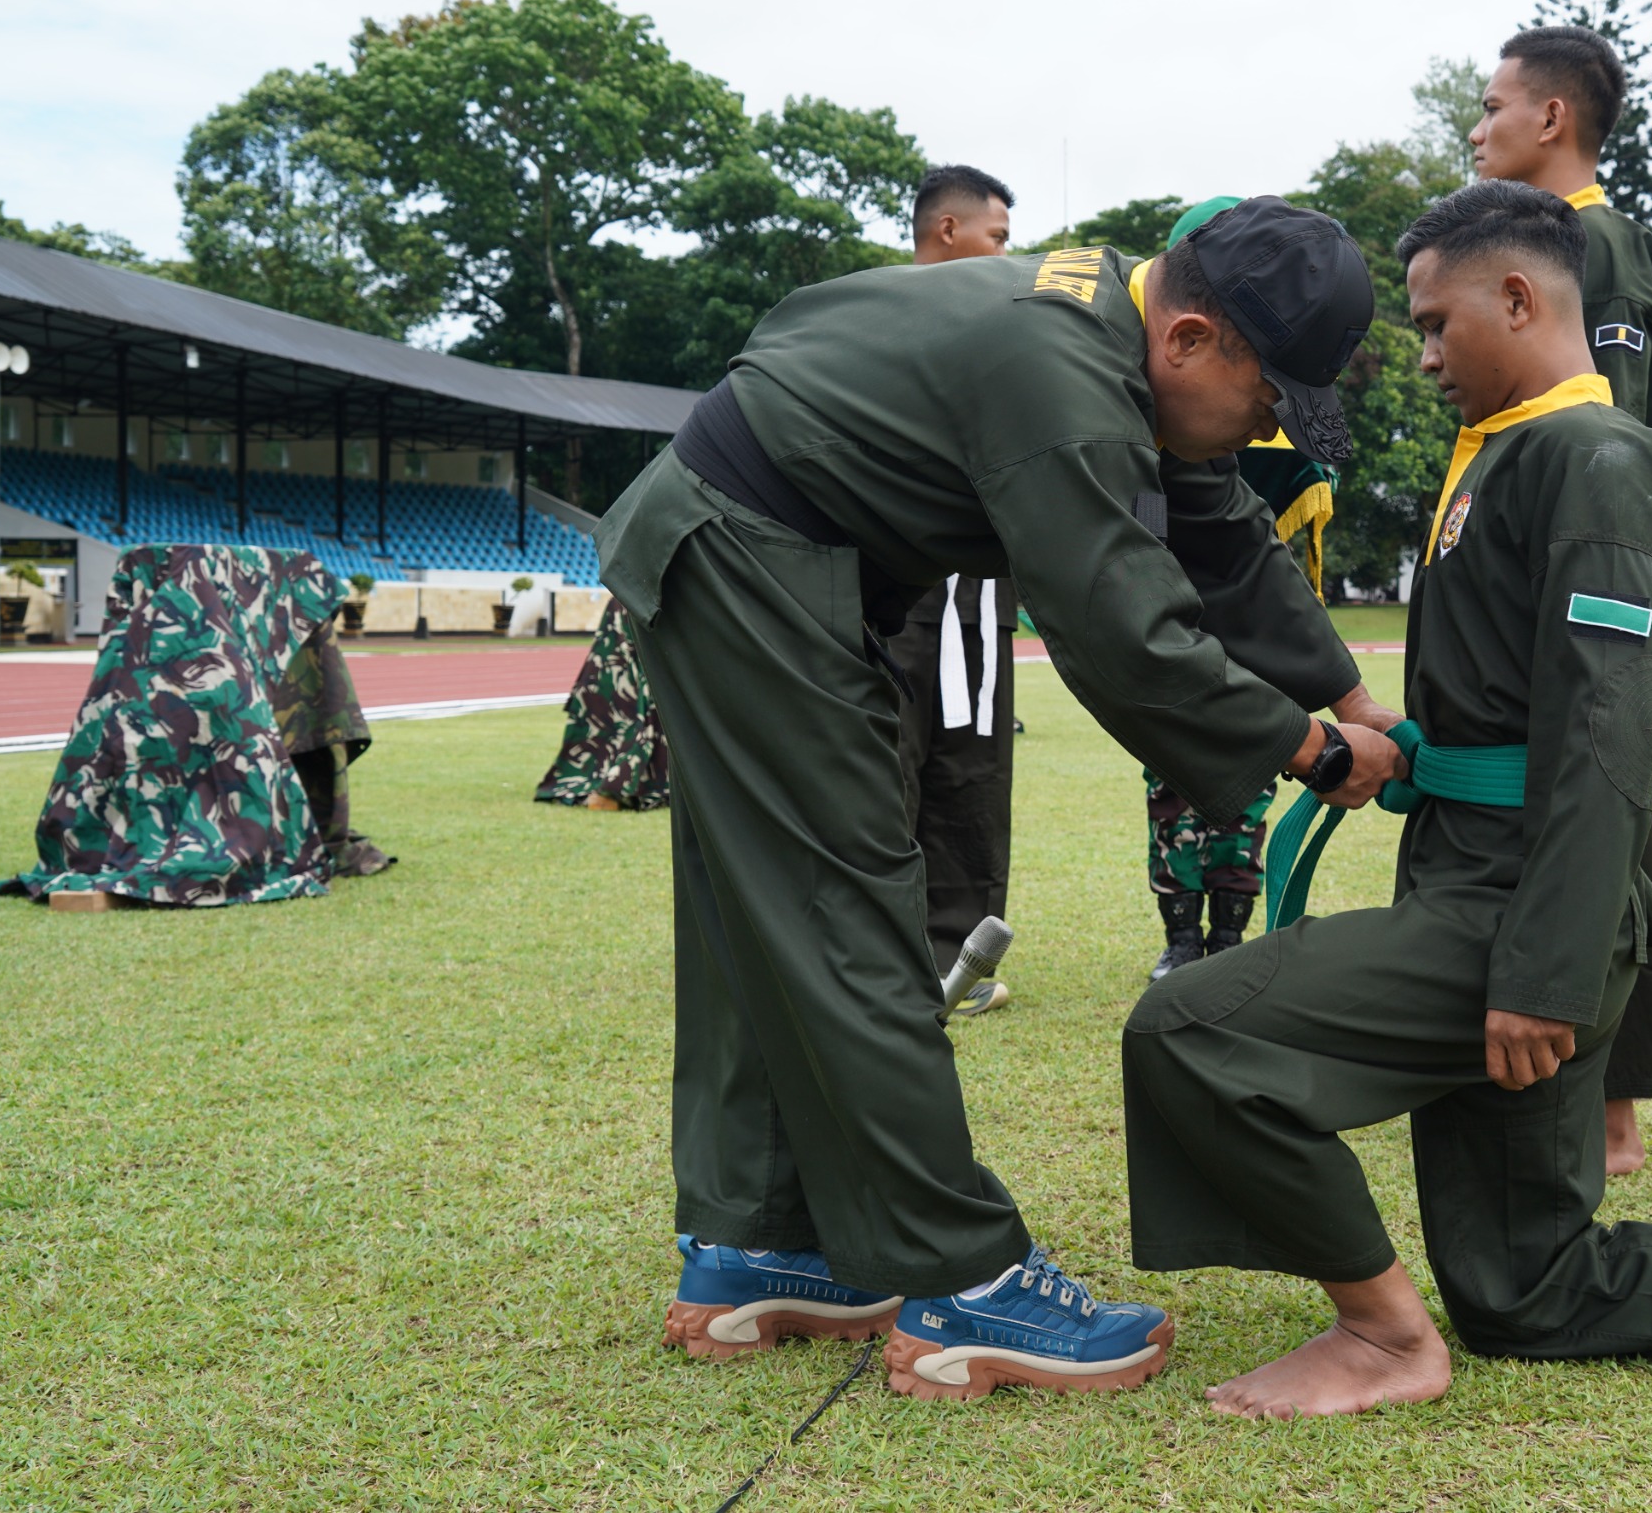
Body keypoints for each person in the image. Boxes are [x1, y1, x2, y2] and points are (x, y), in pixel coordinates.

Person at [1120, 182, 1652, 1419]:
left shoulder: (1595, 460)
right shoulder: (1509, 450)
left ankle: (1379, 1339)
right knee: (1520, 1287)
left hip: (1518, 912)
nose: (1424, 357)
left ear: (1520, 297)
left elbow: (1606, 739)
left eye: (1437, 324)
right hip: (1471, 875)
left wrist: (1545, 969)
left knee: (1190, 1031)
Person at [599, 197, 1408, 1395]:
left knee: (767, 905)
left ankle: (756, 1242)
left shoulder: (1119, 330)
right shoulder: (1065, 384)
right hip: (750, 552)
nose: (1264, 428)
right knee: (844, 908)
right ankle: (965, 1278)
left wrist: (1349, 693)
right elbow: (1123, 631)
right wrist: (1312, 751)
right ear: (1191, 339)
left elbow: (1221, 532)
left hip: (749, 542)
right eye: (1267, 400)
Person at [1468, 23, 1652, 1175]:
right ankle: (1594, 1098)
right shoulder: (1546, 243)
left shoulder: (1594, 243)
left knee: (1603, 819)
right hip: (1541, 570)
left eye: (1492, 105)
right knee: (1581, 812)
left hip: (1584, 576)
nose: (1477, 128)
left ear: (1550, 117)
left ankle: (1612, 1110)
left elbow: (1615, 432)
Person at [1142, 196, 1344, 982]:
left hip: (1251, 644)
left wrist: (1344, 697)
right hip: (1175, 628)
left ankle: (1227, 938)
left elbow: (1257, 546)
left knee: (1249, 797)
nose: (1261, 426)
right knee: (1171, 795)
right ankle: (1181, 938)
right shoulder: (1144, 399)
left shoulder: (1266, 403)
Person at [892, 165, 1024, 1013]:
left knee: (973, 774)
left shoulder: (1004, 328)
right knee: (886, 768)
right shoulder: (878, 317)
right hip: (894, 587)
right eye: (998, 237)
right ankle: (878, 951)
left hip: (975, 596)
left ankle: (957, 958)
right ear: (949, 229)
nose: (1007, 254)